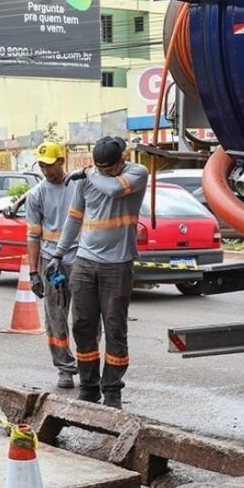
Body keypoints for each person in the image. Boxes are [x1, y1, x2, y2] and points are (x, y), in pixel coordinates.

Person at [47, 136, 148, 410]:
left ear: (121, 160)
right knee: (82, 325)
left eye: (109, 168)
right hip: (85, 261)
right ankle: (89, 388)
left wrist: (90, 173)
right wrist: (58, 252)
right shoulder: (87, 179)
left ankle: (112, 390)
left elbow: (114, 190)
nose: (105, 172)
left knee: (115, 327)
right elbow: (75, 218)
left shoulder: (137, 173)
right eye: (100, 168)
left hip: (118, 264)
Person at [25, 141, 78, 389]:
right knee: (55, 318)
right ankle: (65, 369)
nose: (47, 171)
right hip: (50, 263)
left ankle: (88, 365)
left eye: (51, 165)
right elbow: (33, 236)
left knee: (84, 316)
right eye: (43, 166)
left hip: (79, 260)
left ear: (61, 161)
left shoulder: (78, 187)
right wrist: (33, 272)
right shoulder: (37, 194)